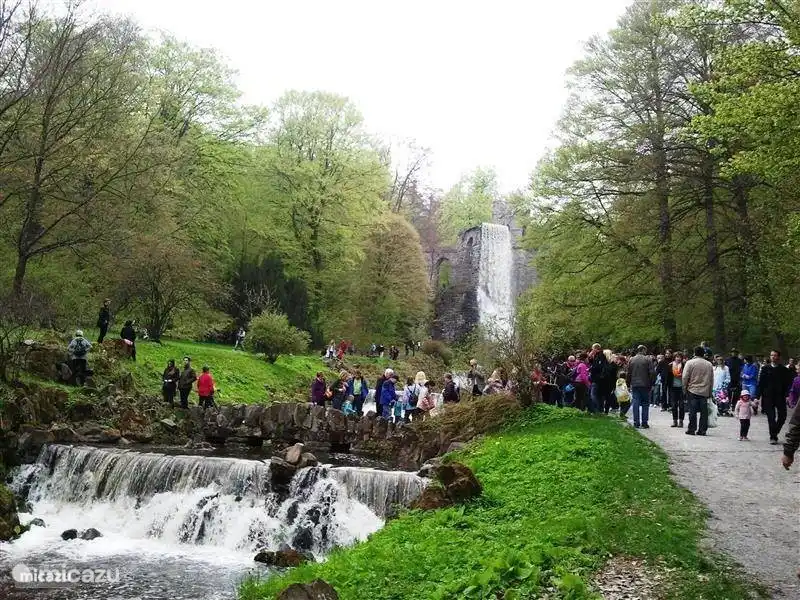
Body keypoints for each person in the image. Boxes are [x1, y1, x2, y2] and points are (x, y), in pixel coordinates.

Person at [757, 350, 794, 444]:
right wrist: (757, 396)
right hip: (768, 396)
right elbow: (761, 383)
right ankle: (773, 437)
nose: (773, 357)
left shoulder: (784, 370)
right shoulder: (765, 368)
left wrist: (787, 395)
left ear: (779, 357)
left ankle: (775, 432)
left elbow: (788, 384)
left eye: (775, 355)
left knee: (782, 416)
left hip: (780, 396)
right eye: (771, 355)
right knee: (771, 417)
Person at [683, 346, 714, 436]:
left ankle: (692, 429)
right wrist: (710, 392)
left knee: (692, 410)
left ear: (694, 353)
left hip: (692, 389)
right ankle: (702, 429)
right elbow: (711, 379)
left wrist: (684, 388)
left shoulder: (690, 363)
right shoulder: (709, 364)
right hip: (704, 391)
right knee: (704, 412)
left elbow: (685, 377)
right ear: (703, 354)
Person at [626, 345, 654, 428]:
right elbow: (652, 373)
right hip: (645, 384)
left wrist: (628, 384)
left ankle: (636, 422)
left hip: (635, 384)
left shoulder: (631, 359)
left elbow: (629, 373)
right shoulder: (648, 359)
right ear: (643, 350)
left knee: (636, 402)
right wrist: (652, 383)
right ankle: (644, 422)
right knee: (645, 403)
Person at [668, 352, 685, 428]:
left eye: (680, 357)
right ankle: (675, 421)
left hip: (681, 387)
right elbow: (667, 377)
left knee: (681, 405)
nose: (678, 358)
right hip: (673, 387)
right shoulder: (670, 365)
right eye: (677, 357)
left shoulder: (684, 365)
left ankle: (681, 421)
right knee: (674, 405)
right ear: (674, 357)